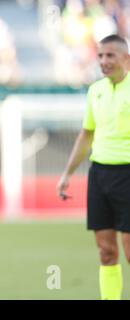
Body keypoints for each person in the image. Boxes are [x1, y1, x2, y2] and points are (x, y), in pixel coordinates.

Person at [57, 34, 130, 300]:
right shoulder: (95, 90)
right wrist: (67, 174)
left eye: (110, 55)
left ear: (126, 59)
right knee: (106, 251)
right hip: (100, 175)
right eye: (100, 55)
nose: (104, 61)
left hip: (128, 174)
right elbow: (86, 134)